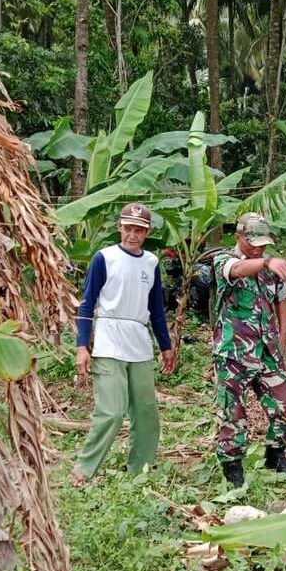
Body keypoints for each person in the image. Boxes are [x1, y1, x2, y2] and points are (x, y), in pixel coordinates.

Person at [70, 203, 175, 486]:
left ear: (147, 232)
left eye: (139, 230)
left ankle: (140, 469)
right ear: (120, 227)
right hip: (108, 338)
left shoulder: (151, 262)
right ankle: (84, 469)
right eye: (128, 228)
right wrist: (82, 345)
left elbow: (156, 308)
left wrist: (165, 345)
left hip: (139, 341)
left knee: (146, 412)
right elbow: (87, 302)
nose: (133, 234)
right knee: (112, 411)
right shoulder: (104, 258)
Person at [212, 212, 286, 488]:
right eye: (253, 243)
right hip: (234, 353)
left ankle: (275, 455)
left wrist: (283, 335)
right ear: (238, 237)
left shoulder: (269, 268)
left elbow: (280, 299)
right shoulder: (224, 260)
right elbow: (236, 271)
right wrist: (266, 261)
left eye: (263, 244)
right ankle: (232, 467)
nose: (259, 248)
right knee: (233, 413)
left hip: (267, 351)